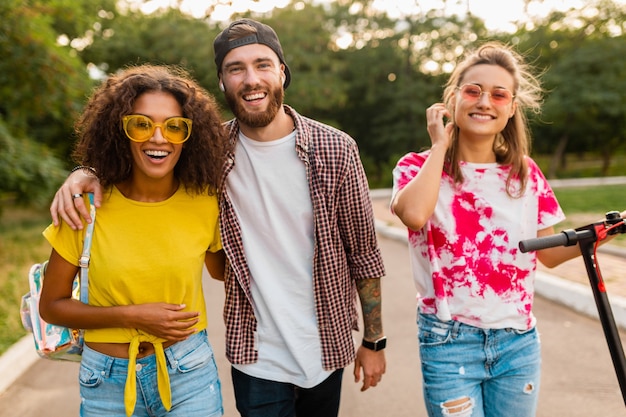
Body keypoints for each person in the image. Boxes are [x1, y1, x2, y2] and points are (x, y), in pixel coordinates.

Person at [49, 19, 387, 417]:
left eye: (262, 64)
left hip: (325, 344)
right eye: (235, 68)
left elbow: (364, 253)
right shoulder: (209, 154)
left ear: (282, 71)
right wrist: (84, 173)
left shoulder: (335, 150)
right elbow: (144, 154)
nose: (251, 79)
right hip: (255, 353)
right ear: (222, 82)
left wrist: (374, 341)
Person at [390, 42, 625, 417]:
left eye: (499, 94)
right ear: (452, 99)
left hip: (518, 343)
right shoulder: (417, 166)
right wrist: (440, 146)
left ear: (511, 108)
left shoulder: (525, 174)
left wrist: (604, 230)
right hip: (450, 342)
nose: (485, 102)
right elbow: (415, 215)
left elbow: (546, 253)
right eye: (473, 91)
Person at [40, 64, 228, 417]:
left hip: (188, 372)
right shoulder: (86, 207)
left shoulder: (205, 201)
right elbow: (51, 305)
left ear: (190, 136)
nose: (159, 137)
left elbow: (225, 272)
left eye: (174, 126)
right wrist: (133, 316)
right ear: (119, 130)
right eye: (141, 124)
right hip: (106, 382)